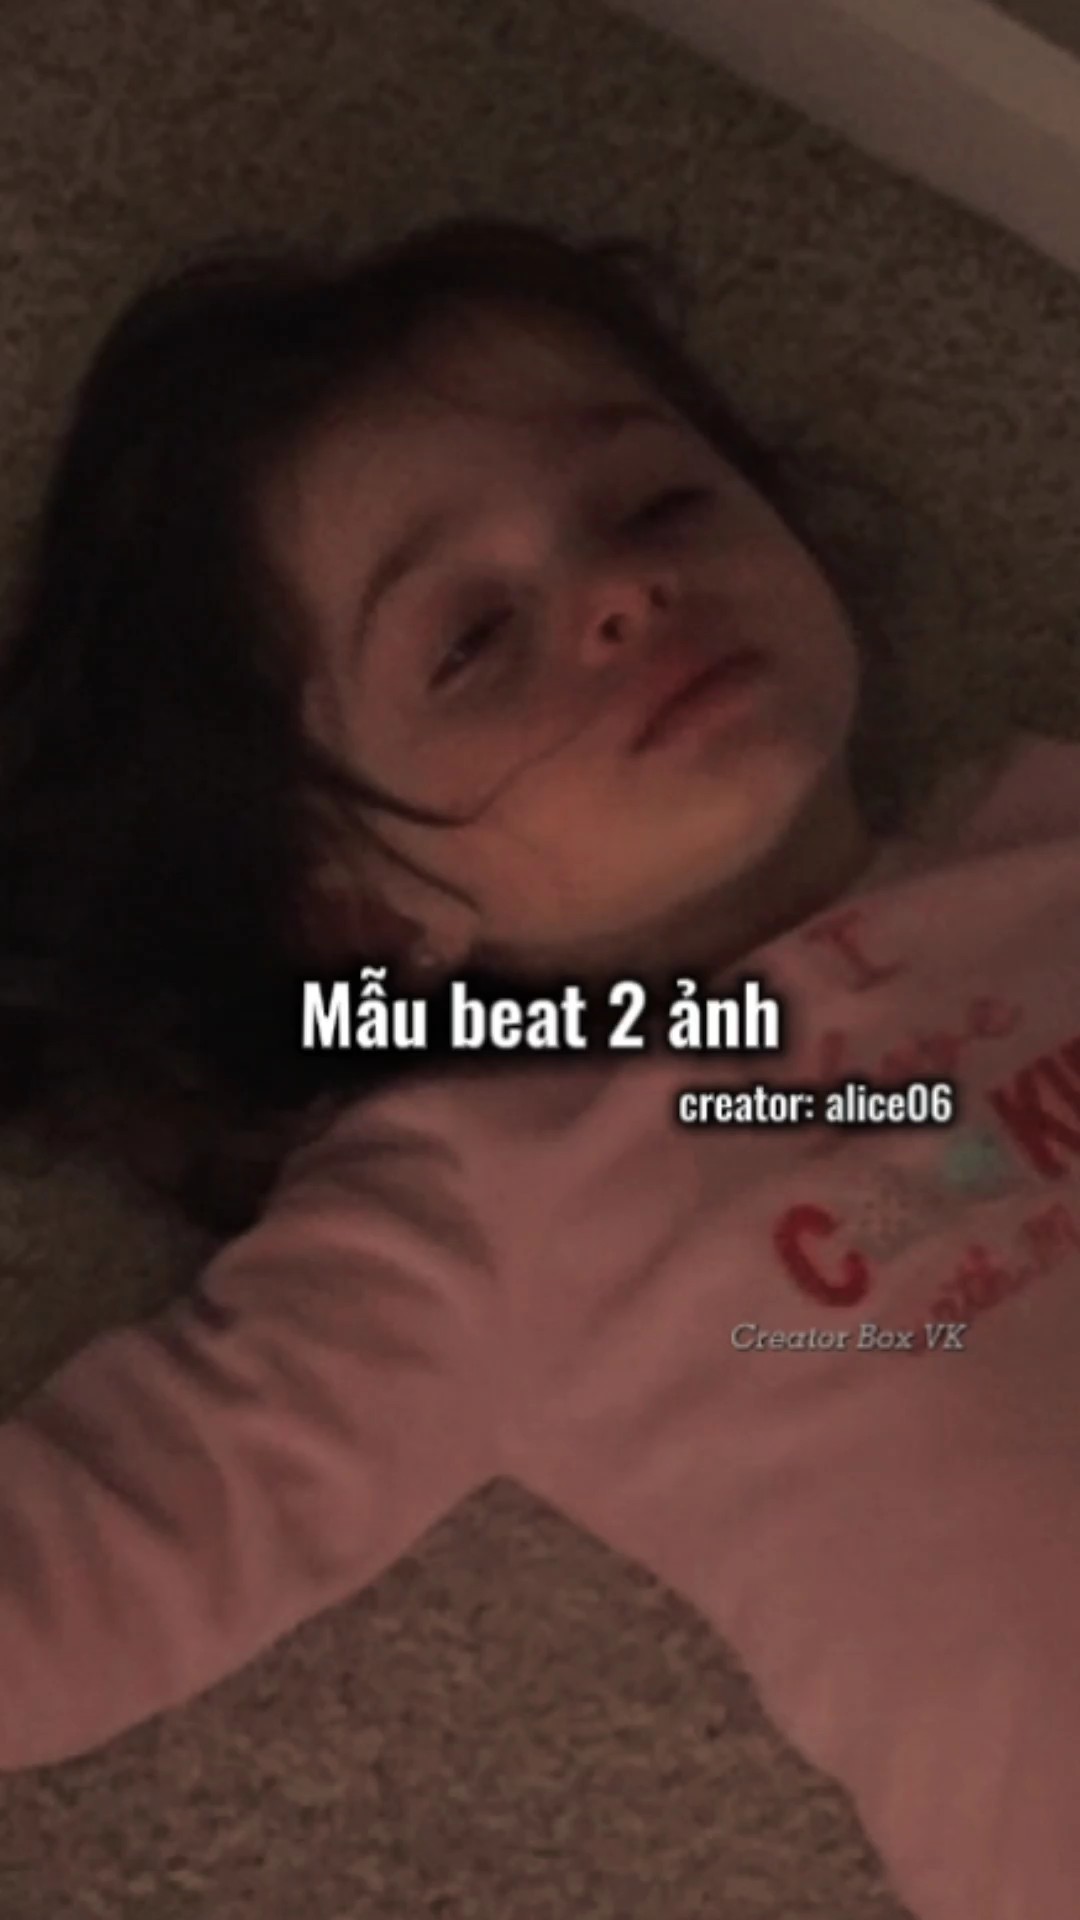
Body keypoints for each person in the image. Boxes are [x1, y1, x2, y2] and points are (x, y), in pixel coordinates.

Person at [0, 214, 1076, 1920]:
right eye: (471, 640)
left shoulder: (1052, 832)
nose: (625, 594)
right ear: (357, 907)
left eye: (658, 505)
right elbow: (94, 1570)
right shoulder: (494, 1194)